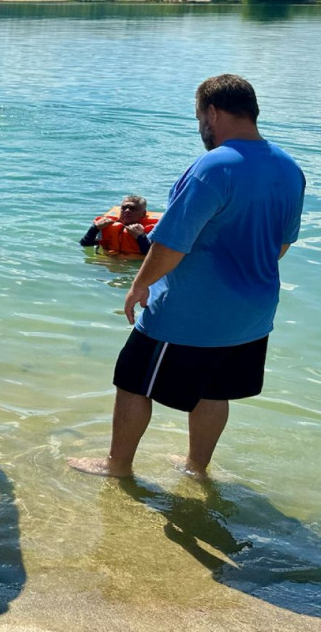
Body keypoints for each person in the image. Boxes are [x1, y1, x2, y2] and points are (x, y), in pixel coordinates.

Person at [69, 74, 305, 479]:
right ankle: (197, 469)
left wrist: (139, 284)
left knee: (132, 381)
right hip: (253, 314)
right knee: (215, 389)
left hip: (191, 313)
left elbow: (172, 243)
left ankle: (117, 465)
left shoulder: (213, 167)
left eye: (199, 117)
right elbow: (281, 247)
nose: (201, 128)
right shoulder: (289, 167)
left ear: (212, 112)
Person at [80, 195, 154, 256]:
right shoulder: (106, 225)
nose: (127, 211)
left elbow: (154, 255)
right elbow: (85, 244)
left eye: (133, 208)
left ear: (143, 213)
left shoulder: (151, 230)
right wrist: (94, 228)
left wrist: (141, 237)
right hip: (107, 264)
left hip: (133, 269)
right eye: (124, 208)